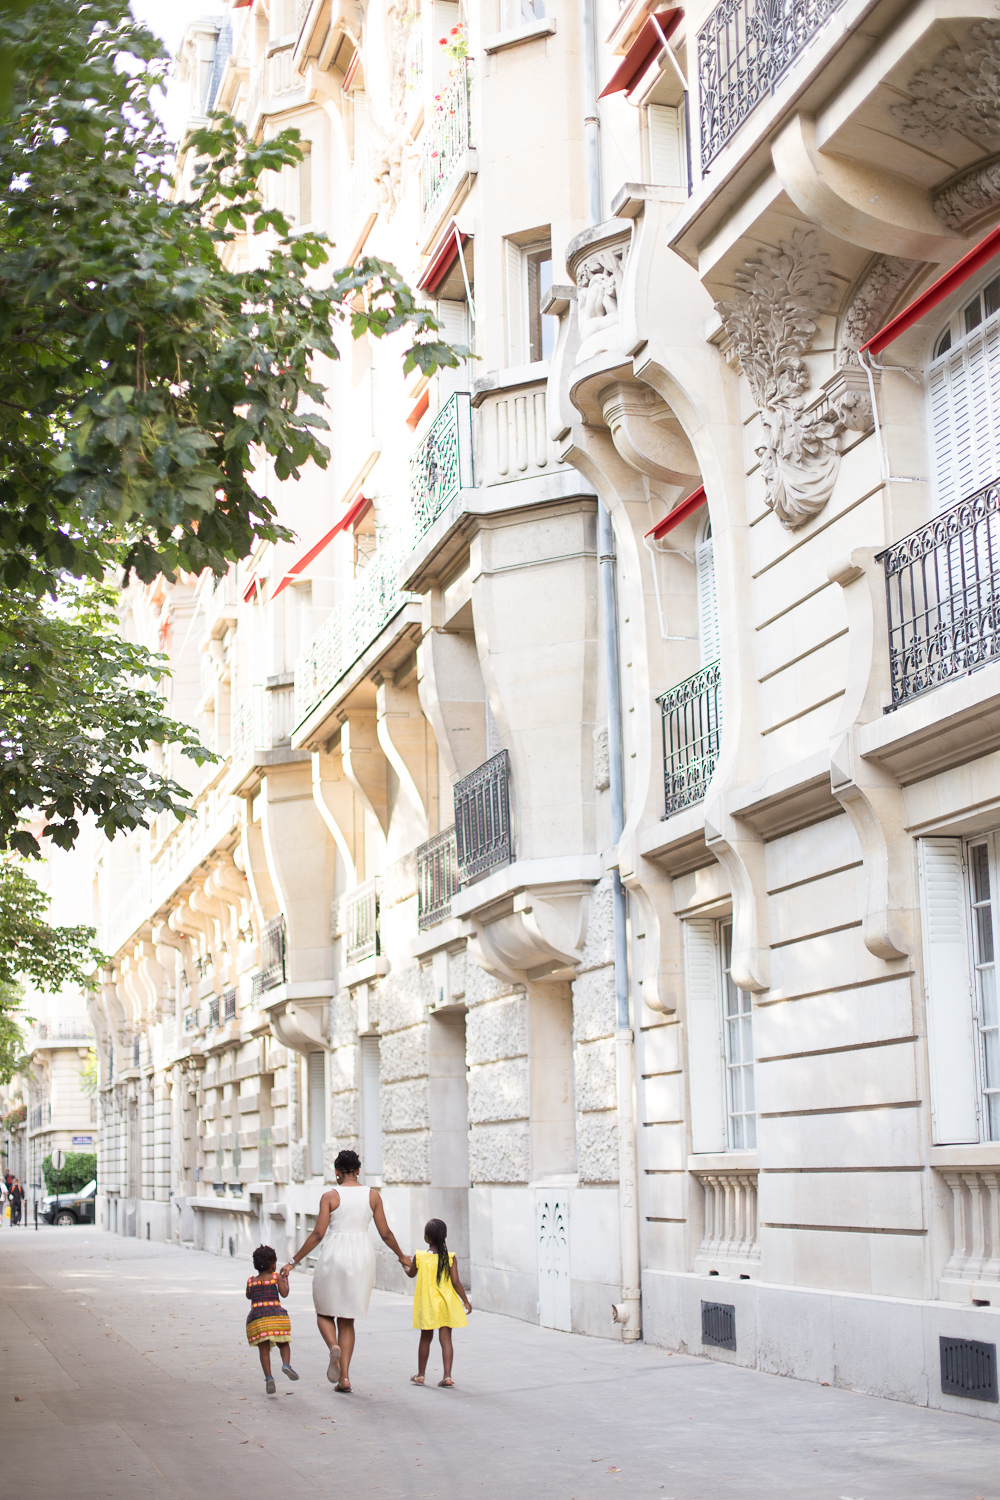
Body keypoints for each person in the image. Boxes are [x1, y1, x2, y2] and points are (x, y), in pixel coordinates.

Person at [281, 1149, 409, 1394]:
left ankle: (332, 1347)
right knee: (347, 1318)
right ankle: (345, 1379)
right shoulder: (373, 1196)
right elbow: (386, 1233)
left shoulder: (330, 1196)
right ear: (358, 1170)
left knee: (323, 1310)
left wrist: (293, 1261)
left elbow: (317, 1234)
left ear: (337, 1172)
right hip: (361, 1255)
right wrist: (402, 1256)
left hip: (334, 1253)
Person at [405, 1218, 471, 1388]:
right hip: (446, 1304)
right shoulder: (450, 1258)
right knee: (446, 1340)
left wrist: (404, 1264)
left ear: (426, 1238)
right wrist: (465, 1301)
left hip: (428, 1305)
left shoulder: (420, 1256)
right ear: (445, 1236)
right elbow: (456, 1282)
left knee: (425, 1339)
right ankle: (447, 1376)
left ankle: (420, 1375)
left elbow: (411, 1273)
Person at [246, 1244, 298, 1395]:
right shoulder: (276, 1277)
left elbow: (249, 1295)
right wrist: (285, 1281)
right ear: (274, 1264)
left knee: (264, 1350)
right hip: (276, 1317)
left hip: (258, 1319)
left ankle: (269, 1377)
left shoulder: (250, 1281)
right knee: (284, 1342)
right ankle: (286, 1364)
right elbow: (284, 1293)